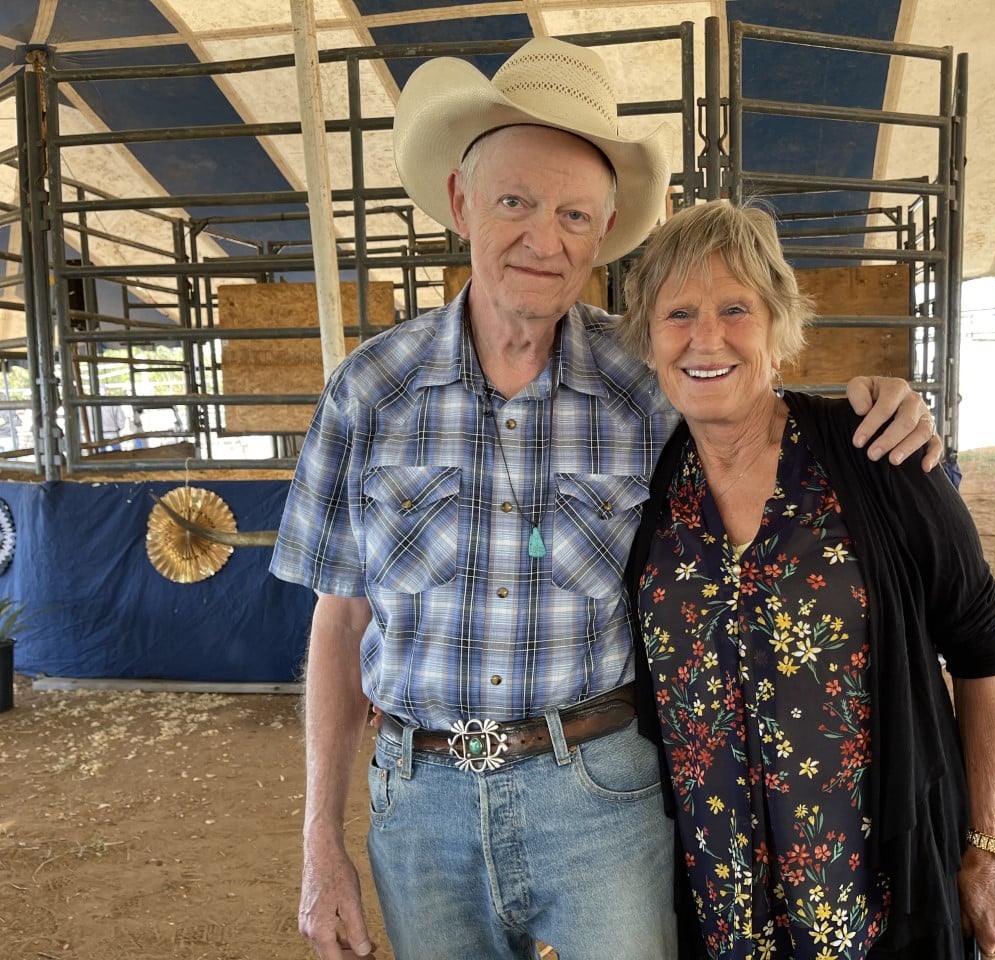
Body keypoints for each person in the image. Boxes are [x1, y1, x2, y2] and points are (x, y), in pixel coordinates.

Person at [270, 38, 942, 960]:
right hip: (417, 801)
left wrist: (873, 397)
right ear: (462, 203)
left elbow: (749, 390)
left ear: (603, 232)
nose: (544, 239)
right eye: (516, 202)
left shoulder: (645, 381)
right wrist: (320, 845)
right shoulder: (365, 391)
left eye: (574, 215)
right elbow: (336, 624)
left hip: (599, 792)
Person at [618, 200, 995, 960]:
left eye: (736, 307)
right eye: (678, 314)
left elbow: (981, 651)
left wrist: (986, 850)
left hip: (876, 898)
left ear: (778, 330)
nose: (707, 338)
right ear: (648, 340)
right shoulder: (647, 486)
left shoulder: (877, 453)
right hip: (721, 907)